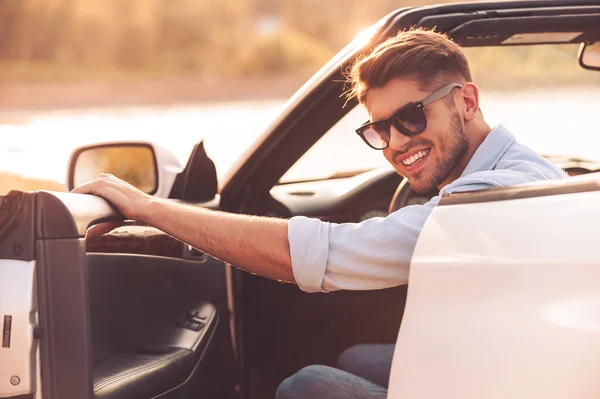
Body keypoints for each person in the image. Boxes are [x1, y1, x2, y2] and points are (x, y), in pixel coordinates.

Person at [73, 28, 568, 398]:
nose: (396, 145)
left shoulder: (493, 198)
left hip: (515, 380)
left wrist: (149, 208)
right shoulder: (514, 168)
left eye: (411, 118)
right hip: (514, 360)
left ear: (467, 100)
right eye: (379, 131)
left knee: (305, 387)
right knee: (356, 357)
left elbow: (315, 255)